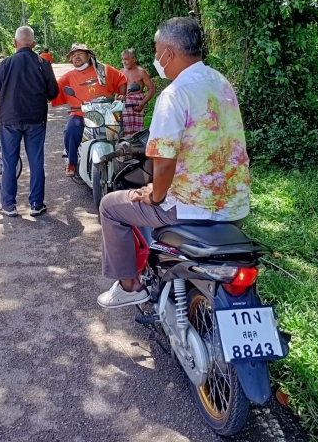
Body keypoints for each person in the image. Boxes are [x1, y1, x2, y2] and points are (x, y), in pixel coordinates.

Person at [97, 17, 251, 308]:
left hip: (189, 208)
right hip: (235, 204)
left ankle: (130, 286)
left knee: (110, 207)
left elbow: (164, 164)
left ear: (169, 52)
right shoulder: (221, 82)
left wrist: (154, 195)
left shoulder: (174, 94)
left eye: (157, 51)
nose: (155, 58)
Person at [0, 26, 59, 217]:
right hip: (36, 119)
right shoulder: (43, 63)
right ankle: (36, 204)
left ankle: (8, 205)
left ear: (15, 43)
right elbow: (53, 93)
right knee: (36, 161)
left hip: (10, 120)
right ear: (33, 44)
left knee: (9, 162)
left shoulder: (7, 63)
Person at [51, 43, 127, 177]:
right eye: (73, 56)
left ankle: (116, 159)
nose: (76, 57)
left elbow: (121, 80)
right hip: (80, 114)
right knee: (71, 129)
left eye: (79, 53)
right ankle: (72, 163)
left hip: (105, 113)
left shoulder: (104, 70)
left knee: (117, 132)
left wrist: (121, 95)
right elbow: (52, 91)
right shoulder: (69, 76)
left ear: (89, 55)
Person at [121, 48, 156, 136]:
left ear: (133, 59)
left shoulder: (141, 72)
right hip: (124, 105)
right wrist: (117, 102)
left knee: (138, 132)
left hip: (137, 104)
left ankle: (138, 149)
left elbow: (152, 89)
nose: (124, 62)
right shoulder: (121, 72)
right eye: (122, 59)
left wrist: (142, 104)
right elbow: (118, 92)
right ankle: (125, 148)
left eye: (126, 59)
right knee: (124, 131)